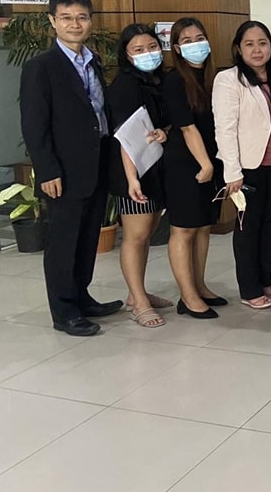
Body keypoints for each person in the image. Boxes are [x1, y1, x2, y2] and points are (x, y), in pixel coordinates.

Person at [19, 0, 123, 336]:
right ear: (52, 21)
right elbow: (34, 125)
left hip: (95, 166)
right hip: (62, 172)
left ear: (90, 21)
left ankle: (82, 296)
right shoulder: (41, 67)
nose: (74, 24)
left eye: (81, 17)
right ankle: (64, 311)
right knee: (63, 243)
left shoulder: (93, 61)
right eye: (66, 17)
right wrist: (47, 170)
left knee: (87, 236)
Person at [212, 21, 271, 310]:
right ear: (238, 48)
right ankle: (248, 288)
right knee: (248, 225)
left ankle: (264, 278)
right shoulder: (228, 79)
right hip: (247, 165)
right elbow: (224, 128)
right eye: (249, 44)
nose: (257, 49)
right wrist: (231, 172)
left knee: (266, 221)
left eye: (262, 42)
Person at [105, 24, 172, 328]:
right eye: (139, 50)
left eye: (152, 47)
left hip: (155, 166)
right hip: (133, 170)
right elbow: (124, 136)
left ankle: (137, 293)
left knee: (147, 233)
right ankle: (138, 303)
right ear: (127, 55)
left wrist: (164, 132)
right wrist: (132, 179)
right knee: (136, 236)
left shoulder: (157, 81)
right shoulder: (125, 85)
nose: (148, 54)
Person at [163, 18, 225, 320]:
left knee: (203, 227)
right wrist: (205, 164)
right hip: (186, 164)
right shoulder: (175, 80)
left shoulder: (214, 78)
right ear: (176, 47)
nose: (195, 44)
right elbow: (187, 128)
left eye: (199, 38)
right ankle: (187, 297)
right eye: (187, 41)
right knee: (184, 229)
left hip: (211, 163)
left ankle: (199, 285)